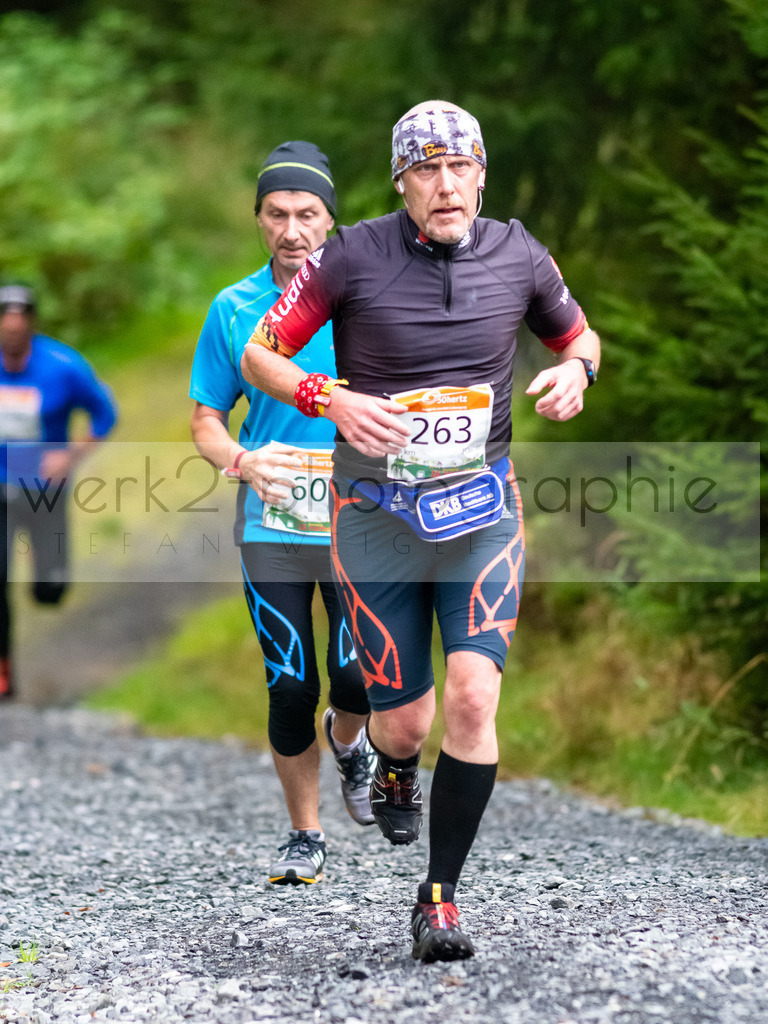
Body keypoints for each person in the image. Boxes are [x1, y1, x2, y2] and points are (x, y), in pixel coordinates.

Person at [240, 101, 600, 960]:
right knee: (405, 723)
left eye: (461, 167)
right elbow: (261, 353)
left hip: (482, 516)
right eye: (427, 170)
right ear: (401, 181)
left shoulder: (520, 254)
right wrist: (332, 399)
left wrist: (575, 372)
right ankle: (393, 763)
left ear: (482, 172)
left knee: (475, 698)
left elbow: (580, 338)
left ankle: (438, 898)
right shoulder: (348, 256)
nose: (447, 185)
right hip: (375, 522)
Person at [189, 141, 375, 887]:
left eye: (307, 214)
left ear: (331, 220)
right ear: (259, 219)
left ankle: (352, 740)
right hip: (273, 520)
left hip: (360, 514)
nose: (292, 229)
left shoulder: (366, 299)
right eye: (277, 214)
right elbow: (206, 419)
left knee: (359, 677)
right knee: (291, 681)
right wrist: (241, 459)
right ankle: (306, 834)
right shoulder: (233, 308)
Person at [1, 282, 118, 699]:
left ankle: (43, 571)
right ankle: (3, 674)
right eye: (5, 323)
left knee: (49, 589)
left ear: (31, 325)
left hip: (43, 487)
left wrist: (68, 457)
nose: (12, 330)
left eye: (20, 323)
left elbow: (105, 415)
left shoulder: (62, 366)